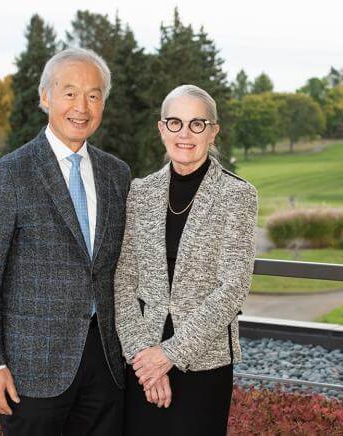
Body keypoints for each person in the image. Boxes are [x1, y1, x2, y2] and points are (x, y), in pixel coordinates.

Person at [0, 47, 131, 436]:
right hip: (31, 371)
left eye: (93, 95)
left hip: (105, 364)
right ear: (45, 97)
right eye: (69, 92)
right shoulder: (7, 176)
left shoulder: (117, 174)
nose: (82, 106)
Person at [114, 84, 258, 436]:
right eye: (175, 123)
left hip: (204, 360)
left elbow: (233, 287)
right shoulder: (140, 192)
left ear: (213, 131)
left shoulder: (238, 195)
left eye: (197, 124)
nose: (185, 134)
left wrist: (170, 355)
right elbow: (122, 280)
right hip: (142, 357)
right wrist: (144, 356)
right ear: (161, 128)